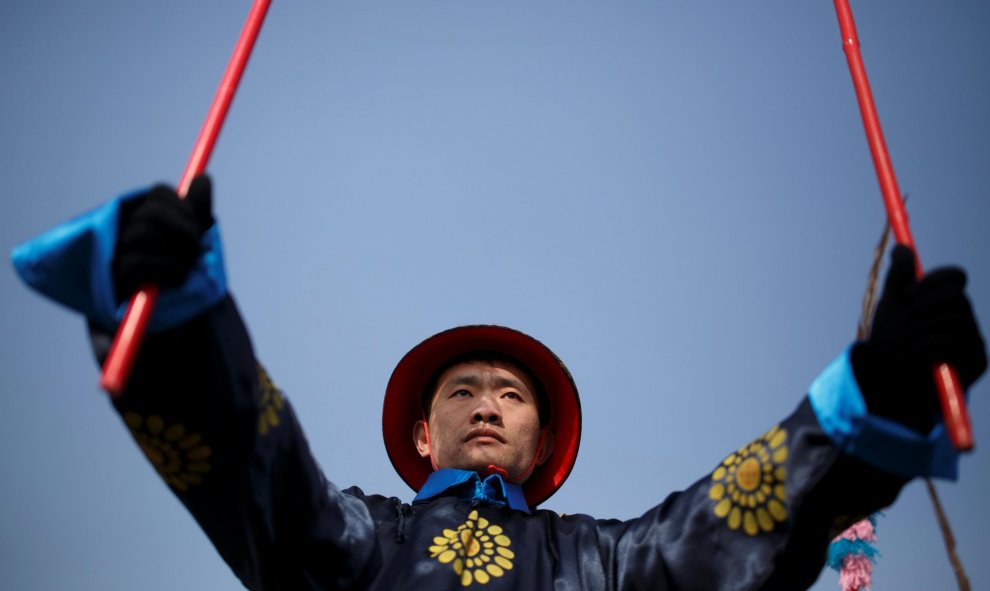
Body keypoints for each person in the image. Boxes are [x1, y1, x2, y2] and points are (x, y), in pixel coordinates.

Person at [12, 176, 987, 590]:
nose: (486, 401)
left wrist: (871, 401)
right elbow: (257, 464)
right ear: (423, 437)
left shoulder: (605, 562)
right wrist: (183, 316)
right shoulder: (358, 540)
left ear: (545, 443)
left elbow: (725, 528)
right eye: (462, 390)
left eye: (511, 393)